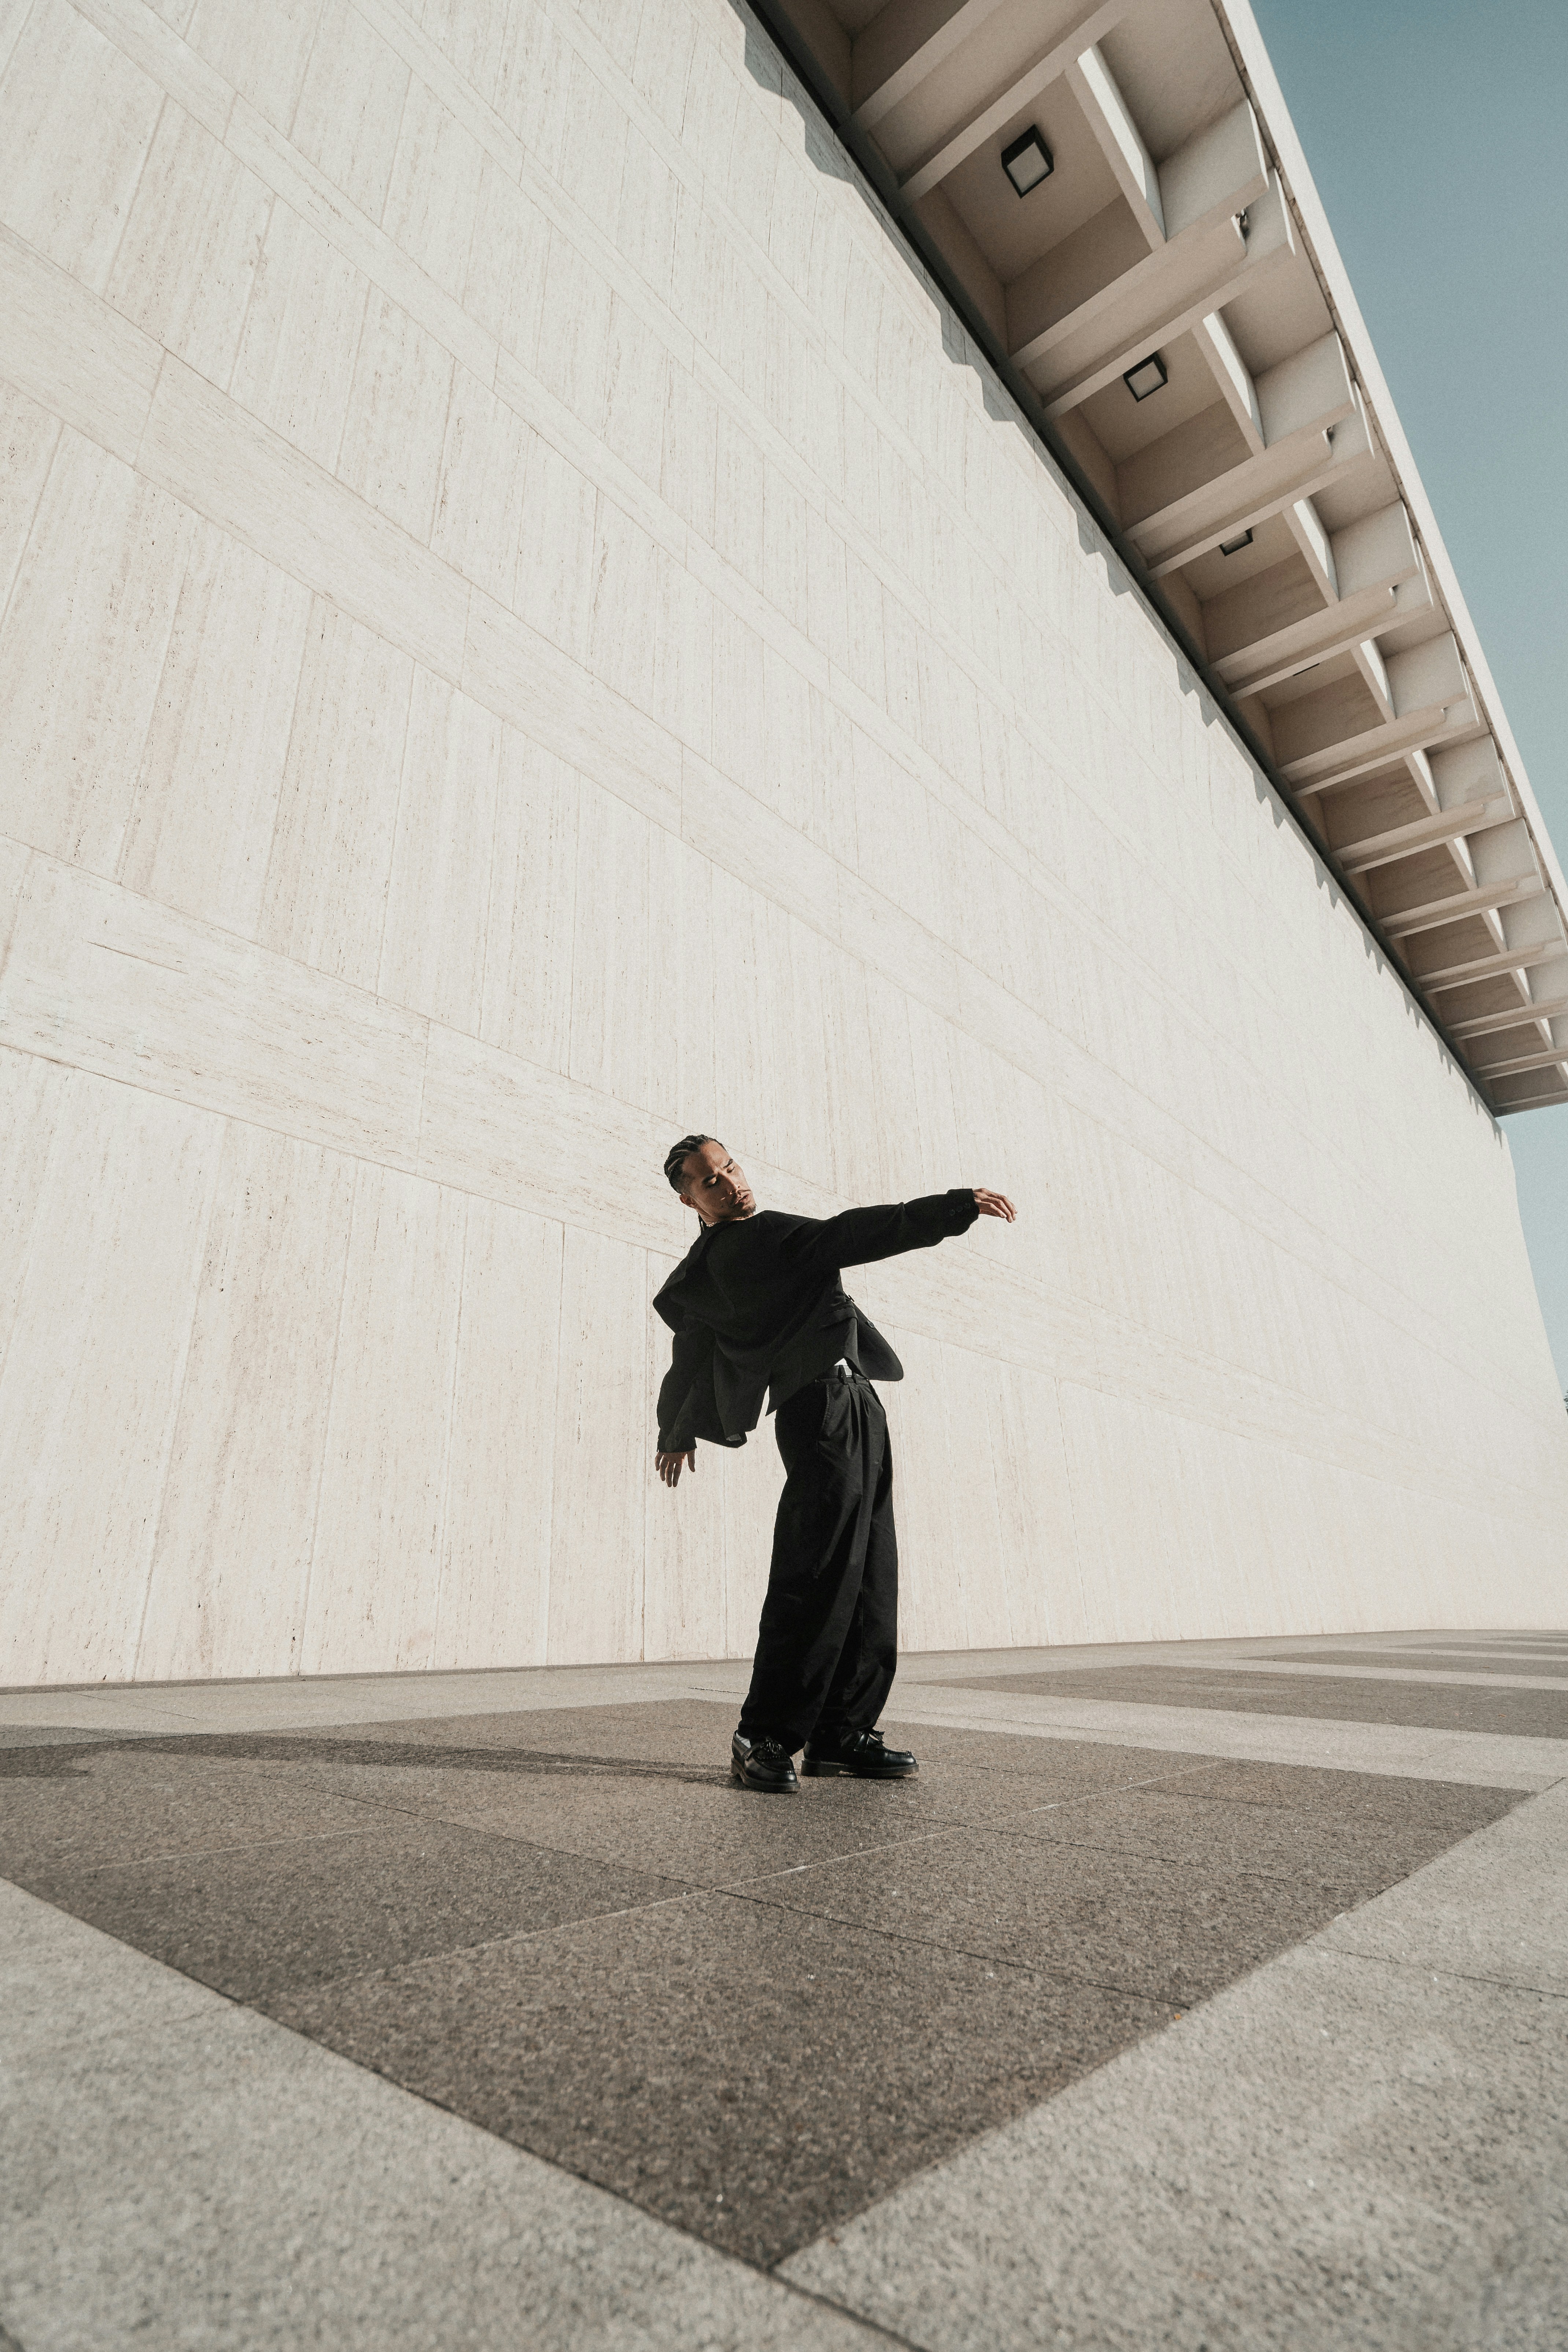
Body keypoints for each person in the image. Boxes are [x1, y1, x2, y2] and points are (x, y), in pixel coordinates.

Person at [653, 1137, 1017, 1793]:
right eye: (710, 1180)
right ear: (689, 1199)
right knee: (816, 1569)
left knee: (872, 1571)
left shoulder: (717, 1262)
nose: (730, 1182)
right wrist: (951, 1207)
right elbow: (851, 1233)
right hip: (819, 1408)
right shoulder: (756, 1241)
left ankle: (841, 1731)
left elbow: (693, 1353)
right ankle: (763, 1733)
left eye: (730, 1166)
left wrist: (677, 1429)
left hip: (855, 1401)